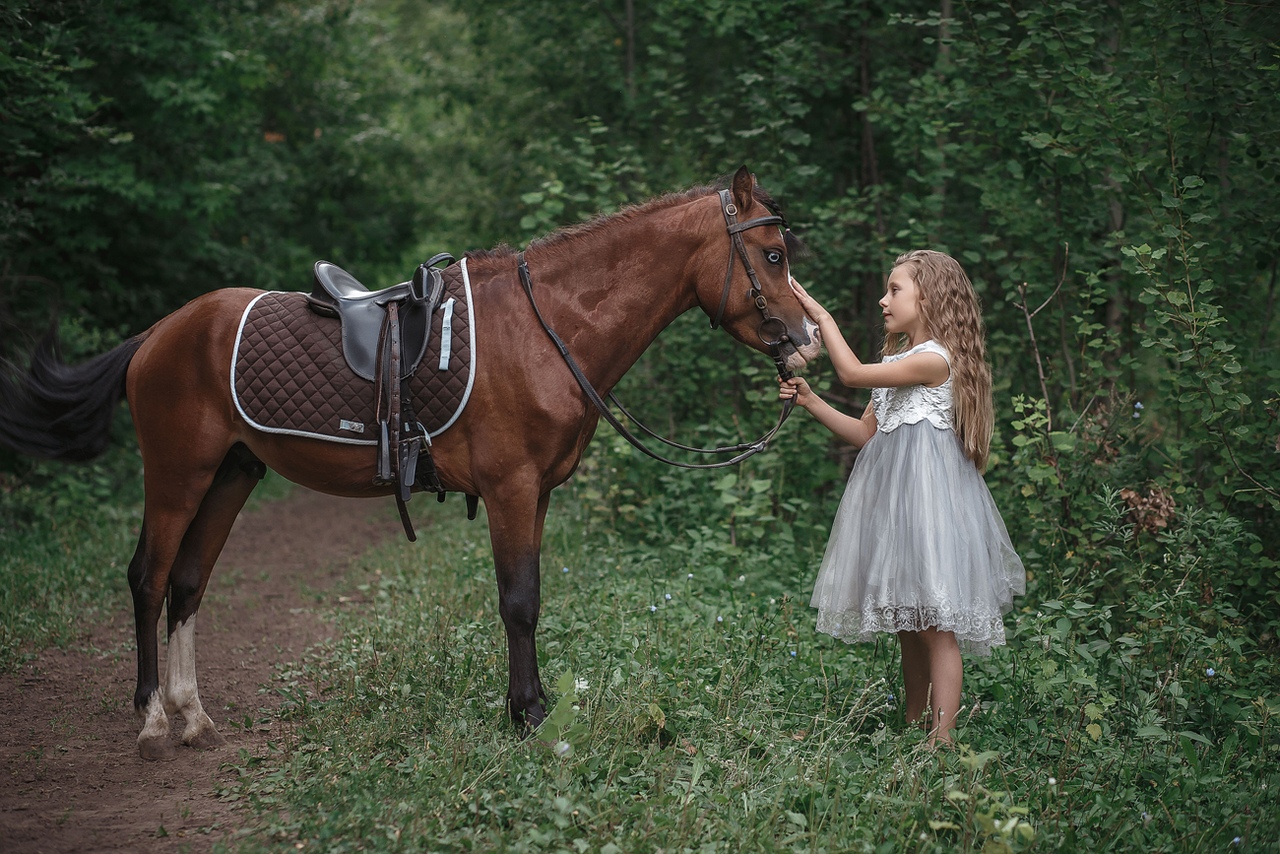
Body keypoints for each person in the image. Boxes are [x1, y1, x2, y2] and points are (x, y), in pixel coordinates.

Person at [779, 249, 1025, 747]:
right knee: (908, 622)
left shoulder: (934, 360)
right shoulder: (899, 362)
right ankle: (913, 726)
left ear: (928, 296)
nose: (882, 299)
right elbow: (866, 433)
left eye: (895, 290)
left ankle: (943, 741)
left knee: (936, 621)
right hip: (897, 509)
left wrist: (822, 317)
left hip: (931, 508)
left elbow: (849, 373)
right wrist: (810, 401)